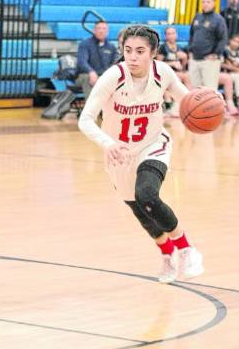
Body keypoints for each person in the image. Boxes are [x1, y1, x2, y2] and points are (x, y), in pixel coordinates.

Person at [78, 25, 205, 284]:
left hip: (153, 143)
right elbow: (85, 119)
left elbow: (188, 100)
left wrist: (208, 101)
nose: (132, 57)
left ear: (153, 53)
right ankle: (167, 253)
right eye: (128, 51)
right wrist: (108, 144)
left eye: (139, 51)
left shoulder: (163, 73)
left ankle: (186, 249)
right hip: (119, 153)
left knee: (147, 193)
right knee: (141, 210)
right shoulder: (113, 77)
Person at [187, 0, 228, 90]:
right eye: (203, 2)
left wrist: (216, 54)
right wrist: (190, 51)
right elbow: (192, 35)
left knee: (209, 90)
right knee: (195, 90)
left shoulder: (218, 19)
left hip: (209, 61)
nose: (205, 4)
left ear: (214, 3)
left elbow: (223, 38)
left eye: (208, 2)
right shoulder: (197, 17)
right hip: (194, 59)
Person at [75, 20, 118, 99]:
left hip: (104, 76)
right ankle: (92, 109)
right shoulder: (85, 44)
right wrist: (91, 71)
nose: (101, 31)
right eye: (98, 28)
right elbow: (82, 62)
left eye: (104, 29)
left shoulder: (111, 47)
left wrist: (108, 75)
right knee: (87, 77)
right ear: (94, 30)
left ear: (107, 32)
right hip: (85, 76)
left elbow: (115, 64)